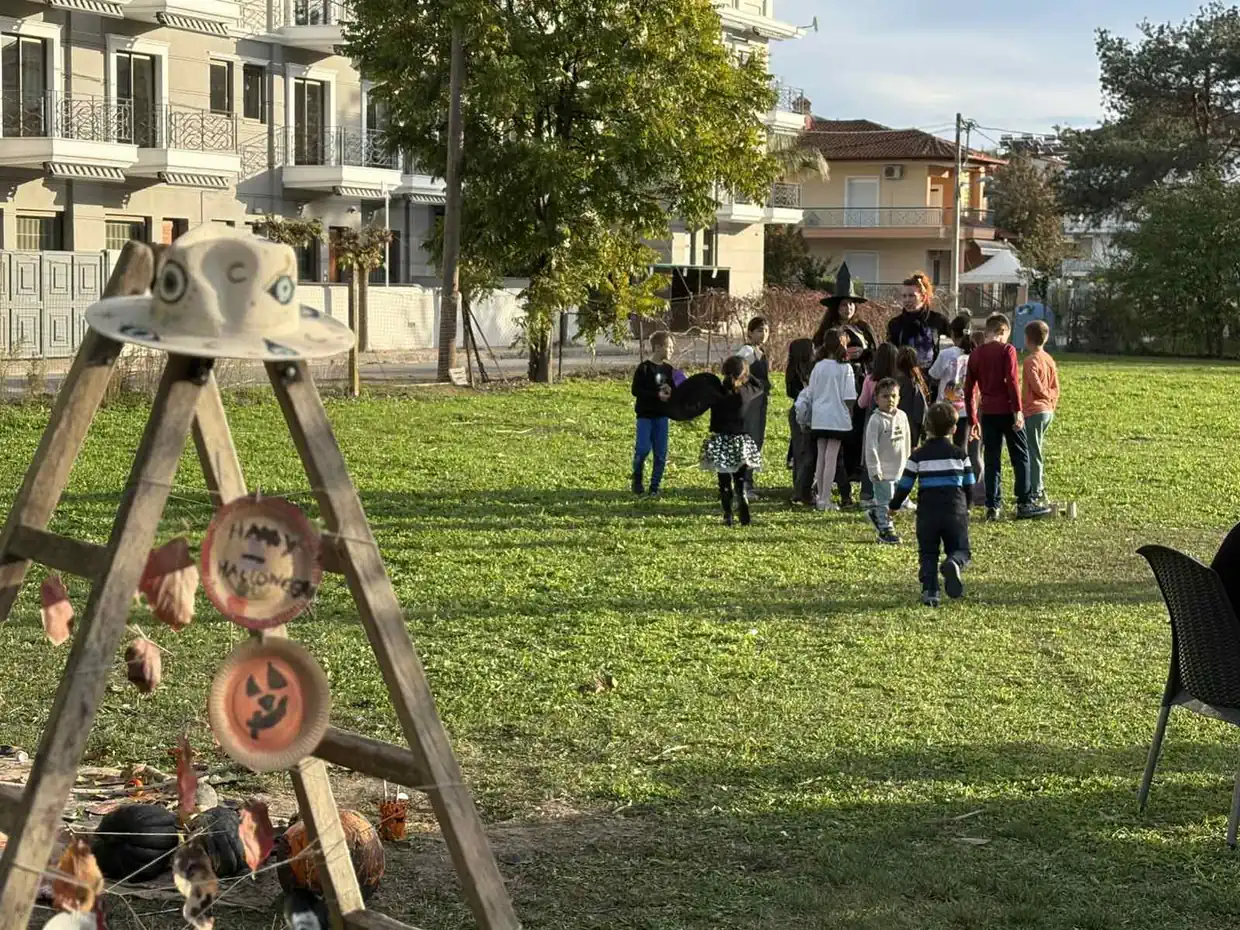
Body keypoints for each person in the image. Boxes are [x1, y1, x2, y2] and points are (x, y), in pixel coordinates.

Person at [965, 313, 1051, 521]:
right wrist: (1018, 411)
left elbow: (969, 389)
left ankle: (992, 506)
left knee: (992, 459)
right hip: (1008, 411)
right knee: (1020, 457)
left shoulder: (976, 354)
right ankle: (1024, 502)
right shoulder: (1007, 350)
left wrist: (973, 419)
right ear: (1002, 331)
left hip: (988, 412)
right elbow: (1012, 381)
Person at [889, 402, 976, 607]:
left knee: (928, 553)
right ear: (954, 429)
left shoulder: (918, 455)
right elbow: (970, 485)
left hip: (927, 513)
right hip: (955, 511)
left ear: (927, 428)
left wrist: (894, 505)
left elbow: (905, 484)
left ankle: (930, 592)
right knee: (961, 549)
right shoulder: (960, 455)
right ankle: (953, 562)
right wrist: (969, 507)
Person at [814, 262, 878, 493]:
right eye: (843, 304)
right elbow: (817, 353)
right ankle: (831, 477)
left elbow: (877, 351)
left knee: (856, 427)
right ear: (836, 307)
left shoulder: (863, 327)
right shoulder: (826, 331)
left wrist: (863, 353)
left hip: (859, 383)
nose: (848, 308)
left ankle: (853, 472)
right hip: (833, 385)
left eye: (851, 304)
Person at [795, 329, 857, 511]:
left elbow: (811, 393)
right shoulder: (846, 368)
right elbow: (849, 397)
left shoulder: (818, 367)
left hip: (819, 417)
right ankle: (826, 498)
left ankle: (821, 497)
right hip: (837, 418)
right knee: (831, 457)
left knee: (821, 457)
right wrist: (850, 414)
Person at [701, 355, 765, 526]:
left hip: (720, 441)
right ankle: (742, 499)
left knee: (724, 481)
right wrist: (747, 373)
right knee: (740, 479)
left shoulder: (715, 392)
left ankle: (727, 515)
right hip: (740, 441)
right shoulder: (745, 393)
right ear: (742, 374)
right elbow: (760, 385)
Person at [863, 377, 912, 545]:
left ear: (899, 398)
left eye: (893, 396)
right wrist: (874, 469)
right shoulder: (875, 420)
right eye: (884, 396)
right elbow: (871, 447)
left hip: (899, 468)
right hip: (882, 471)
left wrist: (908, 464)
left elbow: (906, 442)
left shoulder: (902, 416)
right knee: (885, 501)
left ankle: (876, 514)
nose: (889, 400)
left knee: (894, 501)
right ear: (876, 399)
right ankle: (885, 530)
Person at [630, 331, 674, 495]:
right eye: (668, 347)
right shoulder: (644, 368)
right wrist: (656, 395)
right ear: (657, 347)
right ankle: (637, 478)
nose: (671, 350)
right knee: (642, 449)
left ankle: (654, 487)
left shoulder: (670, 370)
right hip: (645, 417)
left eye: (671, 347)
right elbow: (636, 390)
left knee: (661, 453)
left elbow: (681, 386)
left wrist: (672, 391)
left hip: (662, 417)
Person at [1022, 320, 1060, 507]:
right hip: (1047, 412)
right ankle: (1037, 486)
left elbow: (1037, 386)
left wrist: (1044, 397)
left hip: (1034, 410)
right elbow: (1056, 387)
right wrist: (1052, 402)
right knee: (1035, 449)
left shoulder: (1031, 361)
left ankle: (1036, 489)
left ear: (1028, 339)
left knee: (1033, 451)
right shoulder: (1049, 359)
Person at [886, 272, 951, 374]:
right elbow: (890, 355)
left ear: (923, 297)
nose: (907, 300)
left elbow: (951, 350)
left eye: (912, 296)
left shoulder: (939, 321)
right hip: (904, 380)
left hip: (933, 379)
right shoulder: (895, 324)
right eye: (904, 296)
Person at [736, 317, 771, 496]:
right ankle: (743, 483)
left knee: (757, 441)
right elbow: (737, 374)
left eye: (765, 330)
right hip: (750, 402)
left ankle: (748, 480)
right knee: (749, 441)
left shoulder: (761, 351)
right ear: (750, 332)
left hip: (760, 401)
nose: (763, 334)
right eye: (759, 330)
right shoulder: (747, 352)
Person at [785, 338, 817, 506]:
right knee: (805, 452)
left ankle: (800, 487)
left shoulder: (793, 370)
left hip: (797, 412)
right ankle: (802, 491)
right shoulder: (802, 371)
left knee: (801, 452)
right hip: (803, 413)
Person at [896, 346, 930, 448]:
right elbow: (922, 409)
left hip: (901, 425)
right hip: (913, 426)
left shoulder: (897, 382)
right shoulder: (917, 381)